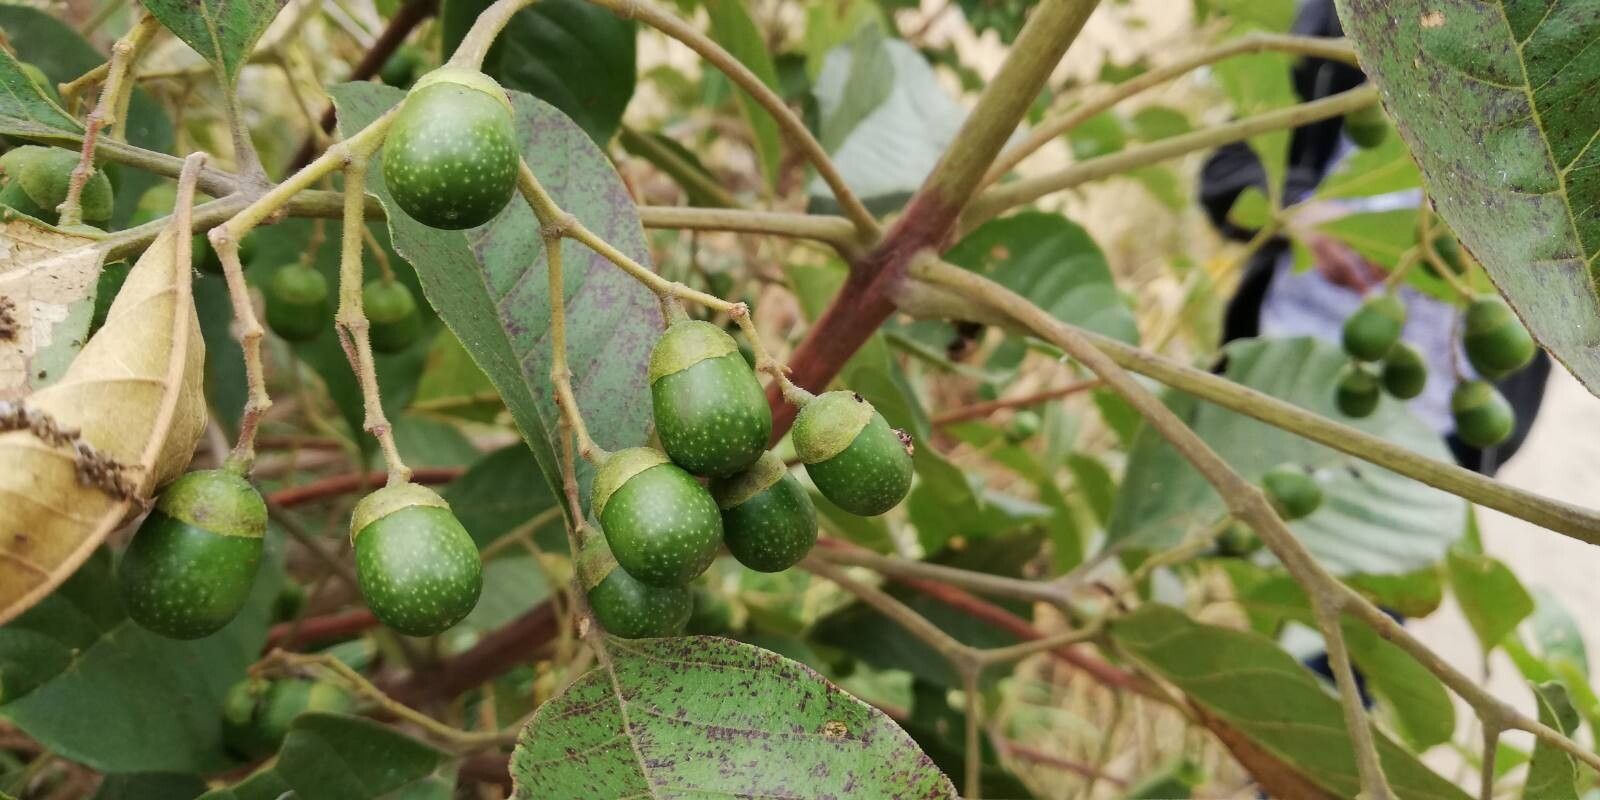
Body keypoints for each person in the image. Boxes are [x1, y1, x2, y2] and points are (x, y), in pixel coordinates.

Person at [1199, 0, 1549, 477]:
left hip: (1435, 436)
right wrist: (1299, 213)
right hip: (1275, 371)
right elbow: (1225, 173)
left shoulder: (1564, 64)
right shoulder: (1339, 23)